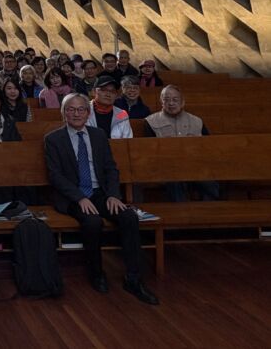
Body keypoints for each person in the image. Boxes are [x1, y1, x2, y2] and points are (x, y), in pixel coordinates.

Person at [44, 93, 159, 305]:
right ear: (63, 113)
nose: (76, 113)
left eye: (81, 109)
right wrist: (79, 198)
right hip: (72, 196)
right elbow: (56, 176)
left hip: (100, 193)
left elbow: (110, 169)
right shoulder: (53, 139)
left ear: (88, 113)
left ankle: (133, 278)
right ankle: (96, 274)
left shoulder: (98, 136)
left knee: (128, 217)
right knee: (92, 221)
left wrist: (114, 195)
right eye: (71, 109)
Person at [145, 86, 219, 201]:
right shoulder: (151, 121)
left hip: (195, 165)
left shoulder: (196, 121)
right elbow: (149, 151)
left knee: (210, 183)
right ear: (161, 101)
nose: (171, 103)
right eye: (167, 99)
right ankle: (181, 214)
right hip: (168, 167)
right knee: (174, 182)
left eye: (175, 100)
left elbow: (207, 146)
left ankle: (209, 213)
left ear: (182, 102)